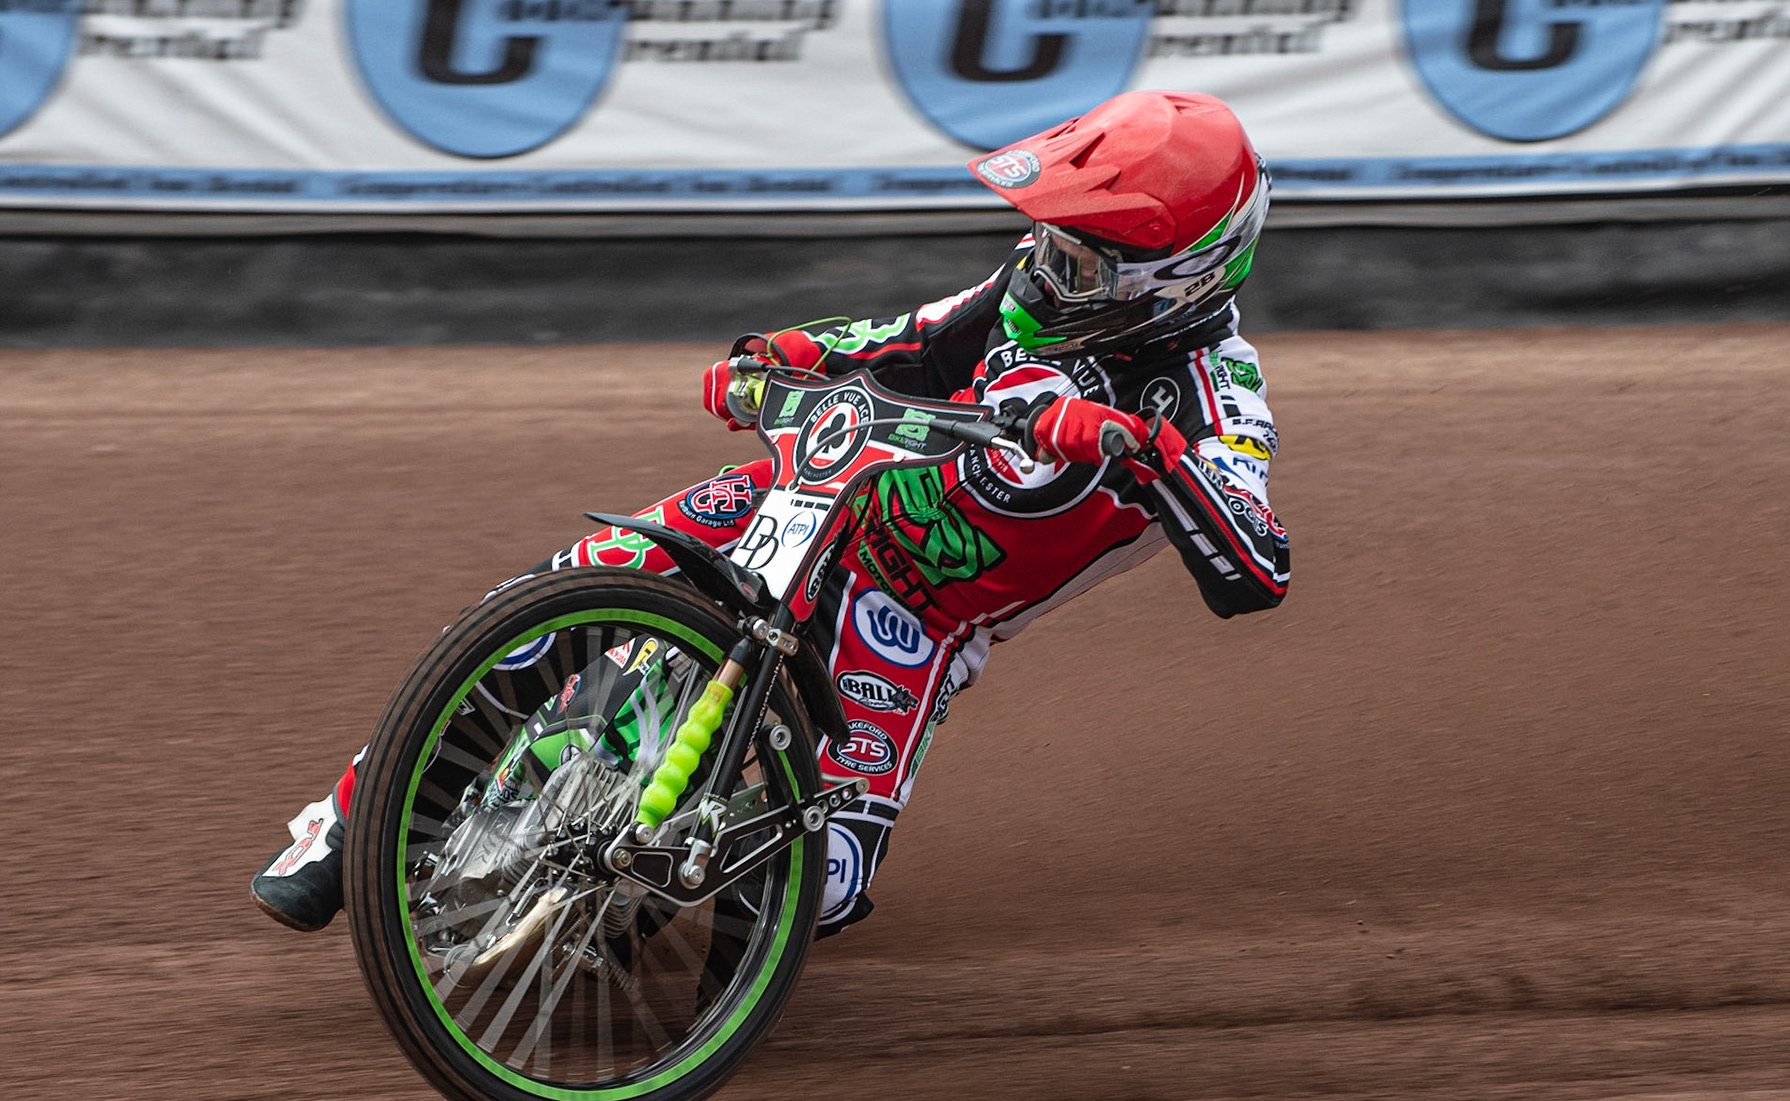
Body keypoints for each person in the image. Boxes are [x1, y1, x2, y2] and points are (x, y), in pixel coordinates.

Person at [251, 89, 1290, 937]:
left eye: (1084, 257)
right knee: (563, 590)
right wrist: (787, 353)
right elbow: (916, 340)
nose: (1051, 269)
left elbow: (1256, 566)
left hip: (916, 619)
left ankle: (682, 958)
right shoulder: (1039, 288)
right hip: (825, 498)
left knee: (813, 890)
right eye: (1054, 243)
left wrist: (1149, 455)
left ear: (1178, 276)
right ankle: (349, 826)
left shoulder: (1214, 399)